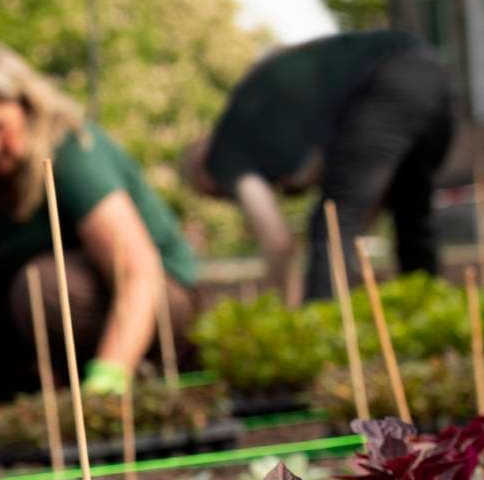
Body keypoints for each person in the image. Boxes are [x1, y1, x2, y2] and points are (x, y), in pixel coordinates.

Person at [0, 39, 197, 442]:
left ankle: (106, 393)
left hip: (153, 304)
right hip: (30, 312)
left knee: (47, 287)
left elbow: (137, 274)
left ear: (27, 109)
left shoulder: (71, 149)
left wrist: (108, 378)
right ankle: (16, 410)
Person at [184, 29, 454, 304]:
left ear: (203, 177)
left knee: (331, 223)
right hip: (432, 72)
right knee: (411, 212)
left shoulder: (223, 156)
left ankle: (319, 323)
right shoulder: (259, 117)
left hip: (385, 79)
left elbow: (277, 241)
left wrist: (283, 309)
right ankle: (431, 314)